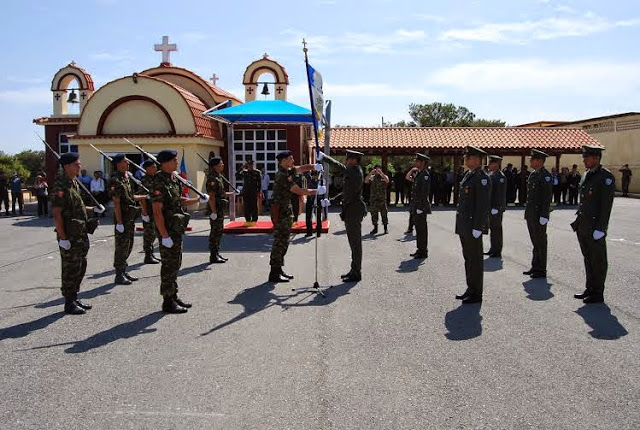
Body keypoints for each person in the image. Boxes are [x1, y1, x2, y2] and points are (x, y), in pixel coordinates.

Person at [152, 149, 208, 313]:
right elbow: (157, 211)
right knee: (168, 266)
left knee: (175, 264)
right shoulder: (159, 182)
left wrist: (197, 200)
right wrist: (164, 236)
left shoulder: (173, 179)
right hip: (168, 231)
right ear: (165, 163)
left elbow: (179, 201)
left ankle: (174, 295)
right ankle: (167, 301)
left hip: (176, 229)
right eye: (174, 160)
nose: (177, 163)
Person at [51, 152, 104, 314]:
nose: (79, 166)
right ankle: (69, 301)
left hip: (80, 233)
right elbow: (57, 213)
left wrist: (93, 209)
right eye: (76, 164)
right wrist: (63, 238)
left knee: (81, 266)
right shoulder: (61, 186)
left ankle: (74, 297)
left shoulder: (74, 183)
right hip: (69, 235)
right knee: (70, 269)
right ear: (67, 166)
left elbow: (78, 208)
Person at [268, 151, 321, 283]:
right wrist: (316, 191)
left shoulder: (287, 171)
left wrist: (315, 166)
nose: (293, 161)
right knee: (279, 242)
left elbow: (302, 168)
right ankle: (274, 273)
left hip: (285, 212)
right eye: (290, 159)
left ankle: (278, 269)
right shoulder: (282, 175)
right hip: (281, 213)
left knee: (284, 241)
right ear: (284, 161)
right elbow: (298, 190)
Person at [571, 145, 615, 303]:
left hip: (595, 227)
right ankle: (590, 288)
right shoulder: (586, 175)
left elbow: (606, 205)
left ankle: (597, 292)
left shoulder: (605, 177)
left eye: (586, 157)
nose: (583, 160)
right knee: (588, 258)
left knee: (598, 260)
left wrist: (601, 228)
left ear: (596, 158)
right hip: (583, 225)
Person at [318, 150, 366, 283]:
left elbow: (339, 167)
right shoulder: (353, 172)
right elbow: (346, 192)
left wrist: (325, 158)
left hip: (354, 211)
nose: (346, 161)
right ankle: (354, 270)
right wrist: (331, 200)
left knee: (355, 243)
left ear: (355, 160)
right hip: (351, 210)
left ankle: (356, 272)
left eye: (349, 158)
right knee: (353, 243)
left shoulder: (355, 171)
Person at [455, 146, 490, 304]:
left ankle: (477, 293)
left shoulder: (482, 178)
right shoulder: (469, 175)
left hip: (473, 226)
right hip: (465, 224)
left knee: (475, 260)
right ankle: (471, 288)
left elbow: (482, 205)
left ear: (476, 159)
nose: (466, 160)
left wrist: (479, 227)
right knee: (468, 258)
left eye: (468, 158)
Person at [108, 154, 149, 285]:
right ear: (119, 164)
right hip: (123, 219)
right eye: (126, 161)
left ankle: (124, 270)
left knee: (128, 245)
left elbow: (130, 197)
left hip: (129, 217)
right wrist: (119, 222)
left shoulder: (126, 178)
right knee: (121, 246)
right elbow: (116, 202)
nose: (128, 163)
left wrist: (144, 196)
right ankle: (119, 274)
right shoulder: (115, 180)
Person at [523, 149, 553, 279]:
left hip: (539, 215)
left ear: (540, 161)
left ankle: (541, 269)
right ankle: (535, 266)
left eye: (532, 159)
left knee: (540, 242)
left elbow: (546, 197)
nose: (530, 161)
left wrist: (544, 215)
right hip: (531, 213)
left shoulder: (545, 176)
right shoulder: (533, 175)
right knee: (535, 241)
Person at [407, 153, 431, 259]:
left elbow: (424, 193)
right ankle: (419, 249)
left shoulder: (425, 175)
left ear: (423, 163)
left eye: (417, 161)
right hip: (416, 206)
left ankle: (423, 251)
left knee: (422, 230)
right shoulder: (419, 174)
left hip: (420, 207)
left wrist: (421, 208)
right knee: (418, 229)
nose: (415, 163)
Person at [206, 156, 229, 264]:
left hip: (220, 209)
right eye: (221, 163)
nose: (223, 165)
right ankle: (213, 255)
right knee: (215, 232)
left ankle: (216, 252)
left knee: (219, 232)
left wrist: (231, 194)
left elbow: (221, 194)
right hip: (216, 210)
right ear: (215, 166)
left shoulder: (219, 177)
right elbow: (212, 196)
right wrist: (214, 211)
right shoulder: (212, 179)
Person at [485, 155, 507, 258]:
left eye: (491, 163)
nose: (489, 165)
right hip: (490, 206)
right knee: (492, 228)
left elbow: (500, 194)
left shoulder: (500, 177)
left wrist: (497, 207)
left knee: (497, 229)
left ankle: (497, 250)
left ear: (496, 164)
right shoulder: (491, 174)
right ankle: (493, 248)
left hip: (496, 207)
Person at [140, 160, 160, 264]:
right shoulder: (144, 181)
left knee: (153, 233)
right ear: (147, 169)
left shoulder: (156, 179)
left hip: (155, 210)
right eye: (153, 167)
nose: (155, 168)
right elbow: (142, 198)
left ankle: (151, 253)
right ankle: (148, 255)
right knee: (149, 233)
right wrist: (144, 213)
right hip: (148, 210)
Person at [365, 164, 389, 235]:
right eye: (377, 169)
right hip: (373, 199)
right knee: (374, 214)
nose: (378, 171)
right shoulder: (372, 177)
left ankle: (385, 228)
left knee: (384, 214)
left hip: (382, 199)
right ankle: (375, 228)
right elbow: (366, 181)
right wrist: (370, 173)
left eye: (379, 169)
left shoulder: (383, 176)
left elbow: (387, 180)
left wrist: (381, 173)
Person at [236, 160, 261, 226]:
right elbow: (237, 175)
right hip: (246, 191)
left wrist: (259, 191)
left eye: (251, 165)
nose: (250, 166)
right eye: (249, 165)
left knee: (254, 206)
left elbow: (259, 183)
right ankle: (248, 220)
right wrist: (241, 168)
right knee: (246, 206)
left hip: (253, 191)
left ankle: (254, 220)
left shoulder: (257, 172)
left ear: (253, 165)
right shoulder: (244, 172)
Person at [304, 170, 322, 237]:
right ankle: (309, 232)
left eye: (316, 175)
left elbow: (322, 191)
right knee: (308, 216)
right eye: (313, 175)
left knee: (318, 216)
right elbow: (305, 173)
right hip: (310, 199)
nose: (315, 176)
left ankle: (318, 232)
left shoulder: (320, 181)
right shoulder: (310, 180)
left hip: (317, 199)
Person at [404, 167, 418, 234]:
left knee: (418, 215)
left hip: (419, 200)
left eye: (414, 173)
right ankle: (410, 228)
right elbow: (407, 177)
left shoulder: (421, 179)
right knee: (412, 214)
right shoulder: (414, 180)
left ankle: (419, 229)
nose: (413, 175)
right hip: (413, 199)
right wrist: (411, 170)